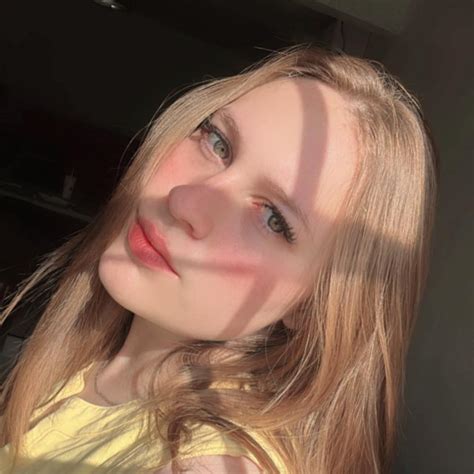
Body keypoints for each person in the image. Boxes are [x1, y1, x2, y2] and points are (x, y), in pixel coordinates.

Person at [0, 44, 438, 473]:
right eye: (217, 142)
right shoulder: (86, 364)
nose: (184, 200)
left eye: (273, 219)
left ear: (311, 307)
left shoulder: (209, 462)